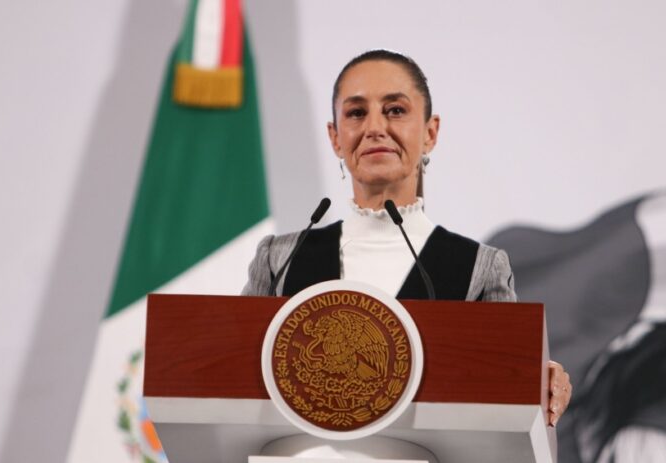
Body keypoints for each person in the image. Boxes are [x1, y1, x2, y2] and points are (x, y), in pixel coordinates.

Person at [242, 49, 571, 426]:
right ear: (335, 138)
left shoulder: (479, 267)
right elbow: (234, 372)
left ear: (430, 133)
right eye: (356, 113)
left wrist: (538, 376)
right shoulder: (280, 257)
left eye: (395, 110)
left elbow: (504, 378)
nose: (375, 127)